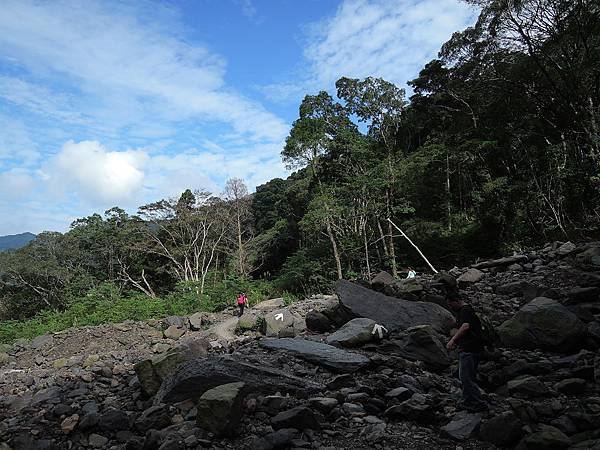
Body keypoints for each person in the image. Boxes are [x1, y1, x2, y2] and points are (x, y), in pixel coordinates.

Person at [446, 292, 488, 413]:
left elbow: (465, 326)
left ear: (456, 301)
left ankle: (477, 403)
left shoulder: (465, 311)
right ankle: (468, 400)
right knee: (467, 376)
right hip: (473, 348)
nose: (450, 307)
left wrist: (453, 340)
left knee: (466, 378)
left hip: (469, 349)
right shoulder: (468, 310)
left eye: (451, 305)